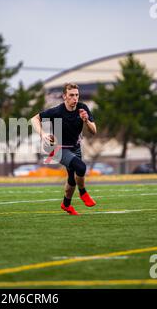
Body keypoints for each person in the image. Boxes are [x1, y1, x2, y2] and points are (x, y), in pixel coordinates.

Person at [31, 83, 97, 216]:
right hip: (58, 149)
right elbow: (34, 119)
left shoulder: (82, 108)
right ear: (64, 96)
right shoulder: (57, 111)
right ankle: (83, 193)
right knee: (81, 167)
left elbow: (94, 131)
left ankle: (66, 204)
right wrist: (43, 134)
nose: (75, 98)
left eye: (77, 95)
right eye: (71, 95)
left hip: (75, 147)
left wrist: (86, 121)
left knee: (72, 180)